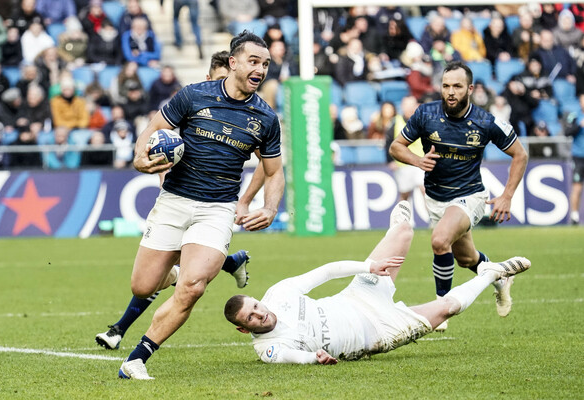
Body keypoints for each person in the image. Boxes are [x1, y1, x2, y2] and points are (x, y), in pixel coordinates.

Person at [98, 47, 277, 360]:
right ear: (233, 64)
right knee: (142, 286)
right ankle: (218, 265)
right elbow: (154, 130)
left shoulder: (265, 117)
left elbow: (273, 169)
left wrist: (260, 204)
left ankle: (137, 358)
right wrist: (142, 159)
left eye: (265, 64)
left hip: (218, 207)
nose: (260, 70)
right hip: (175, 199)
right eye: (254, 62)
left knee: (194, 285)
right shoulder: (193, 96)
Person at [224, 201, 531, 364]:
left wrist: (370, 266)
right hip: (378, 333)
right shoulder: (268, 348)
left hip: (357, 297)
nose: (259, 313)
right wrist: (314, 359)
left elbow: (328, 271)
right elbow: (292, 357)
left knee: (404, 232)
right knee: (447, 309)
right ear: (244, 329)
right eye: (250, 317)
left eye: (255, 305)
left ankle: (396, 224)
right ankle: (491, 273)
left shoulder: (278, 294)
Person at [389, 61, 529, 331]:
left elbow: (520, 154)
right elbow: (396, 147)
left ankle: (441, 307)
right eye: (445, 86)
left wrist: (507, 196)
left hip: (470, 196)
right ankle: (499, 277)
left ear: (470, 89)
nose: (450, 92)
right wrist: (417, 161)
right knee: (465, 258)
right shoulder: (425, 114)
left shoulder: (486, 122)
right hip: (436, 198)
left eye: (457, 86)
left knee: (440, 241)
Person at [385, 96, 425, 208]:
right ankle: (400, 220)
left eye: (412, 105)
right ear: (402, 106)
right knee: (404, 195)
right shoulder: (395, 122)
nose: (409, 108)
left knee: (425, 190)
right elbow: (388, 142)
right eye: (407, 105)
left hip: (420, 162)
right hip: (403, 163)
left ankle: (434, 221)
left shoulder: (422, 120)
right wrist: (389, 160)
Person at [566, 94, 584, 225]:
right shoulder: (575, 116)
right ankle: (574, 216)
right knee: (577, 186)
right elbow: (567, 132)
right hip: (578, 156)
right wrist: (579, 126)